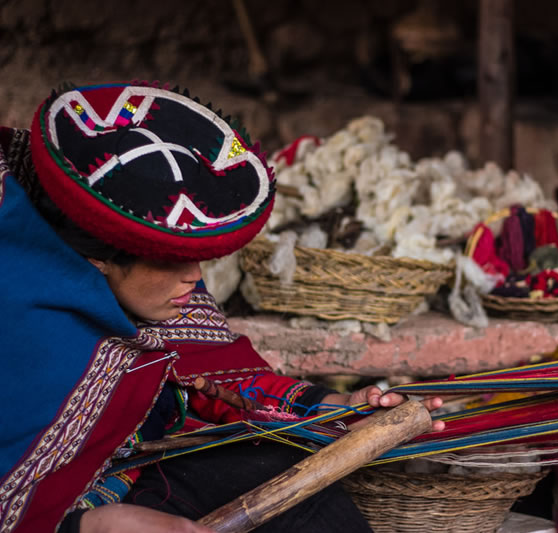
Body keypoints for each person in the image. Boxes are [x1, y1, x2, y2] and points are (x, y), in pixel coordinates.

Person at [0, 82, 443, 533]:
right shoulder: (21, 324)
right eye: (170, 259)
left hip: (129, 479)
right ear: (97, 256)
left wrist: (338, 405)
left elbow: (213, 380)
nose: (195, 277)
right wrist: (93, 525)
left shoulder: (151, 297)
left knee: (285, 480)